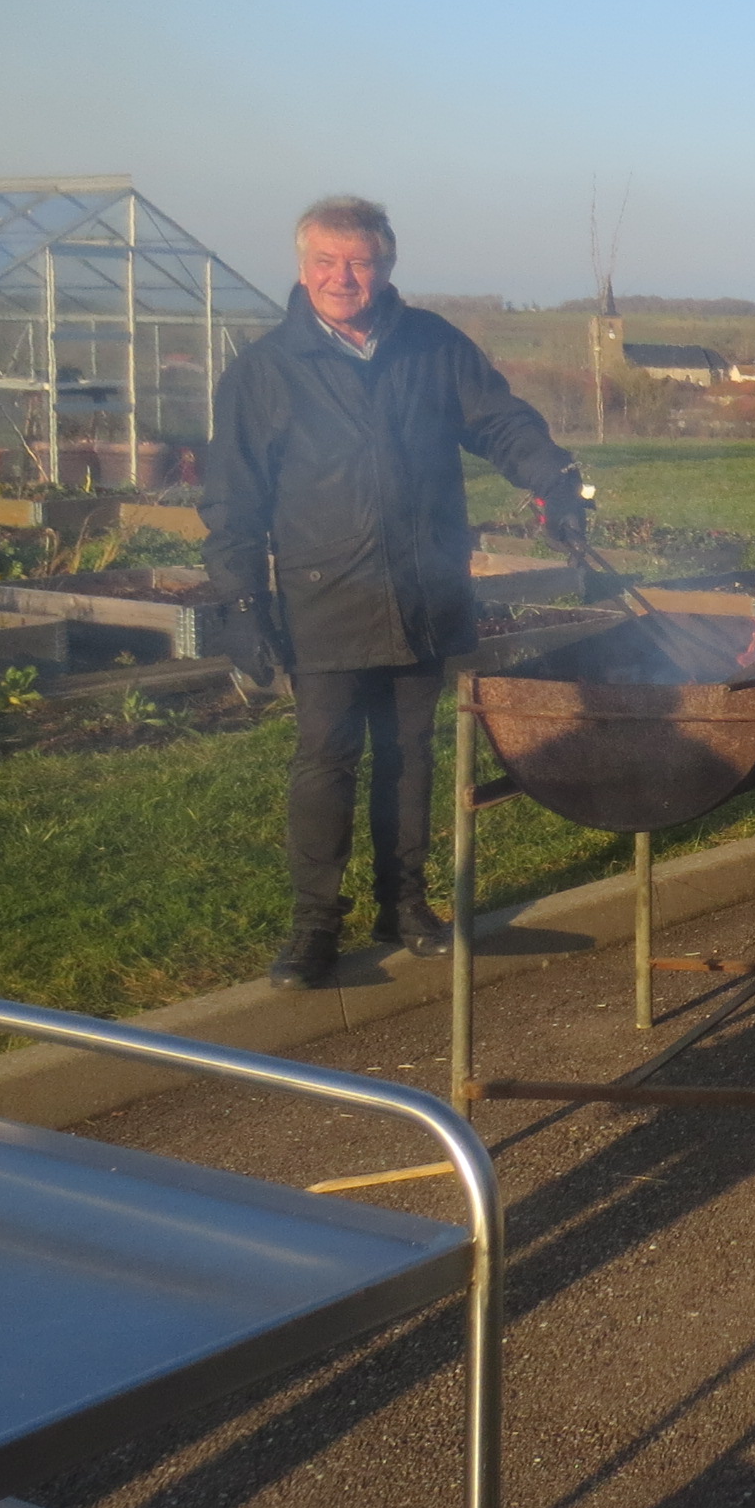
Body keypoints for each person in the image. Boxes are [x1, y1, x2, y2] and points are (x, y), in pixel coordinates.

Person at [206, 196, 590, 990]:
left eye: (361, 262)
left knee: (410, 756)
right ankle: (313, 927)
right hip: (325, 596)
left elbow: (500, 424)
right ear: (302, 267)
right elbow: (233, 501)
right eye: (327, 262)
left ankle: (405, 906)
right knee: (327, 760)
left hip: (424, 587)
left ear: (385, 267)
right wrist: (242, 603)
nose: (343, 277)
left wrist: (549, 473)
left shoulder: (431, 347)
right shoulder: (264, 372)